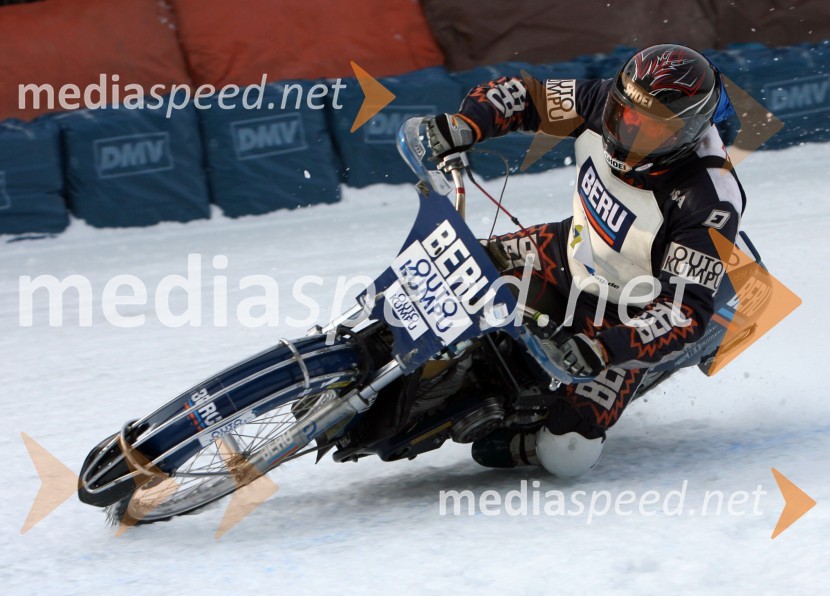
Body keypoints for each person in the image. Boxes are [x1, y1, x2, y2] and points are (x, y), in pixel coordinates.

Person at [426, 43, 745, 477]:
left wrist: (604, 347)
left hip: (626, 313)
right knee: (455, 261)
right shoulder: (604, 101)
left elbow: (683, 311)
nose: (629, 131)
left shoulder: (709, 199)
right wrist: (467, 124)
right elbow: (527, 96)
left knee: (567, 450)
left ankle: (525, 425)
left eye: (651, 129)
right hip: (567, 251)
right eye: (626, 115)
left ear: (687, 133)